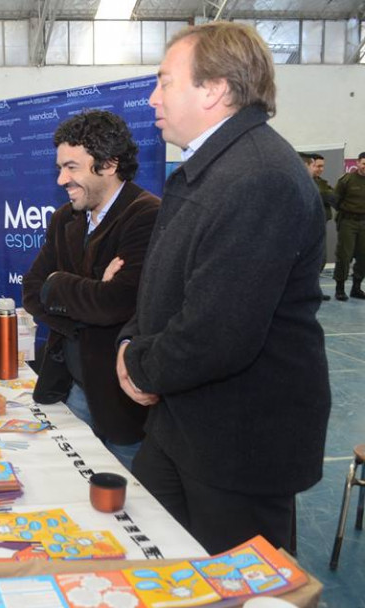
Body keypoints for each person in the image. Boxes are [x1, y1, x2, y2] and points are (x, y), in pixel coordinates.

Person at [116, 22, 330, 553]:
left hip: (240, 442)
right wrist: (130, 341)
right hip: (184, 425)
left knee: (237, 587)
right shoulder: (213, 169)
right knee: (151, 560)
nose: (152, 97)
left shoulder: (259, 177)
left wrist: (137, 365)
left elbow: (219, 332)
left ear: (213, 89)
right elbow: (164, 285)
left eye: (165, 82)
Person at [22, 110, 160, 471]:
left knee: (130, 505)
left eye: (72, 167)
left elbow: (117, 304)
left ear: (110, 164)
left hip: (120, 404)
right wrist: (90, 292)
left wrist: (60, 285)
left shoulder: (146, 216)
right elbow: (33, 292)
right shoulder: (64, 218)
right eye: (60, 167)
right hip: (71, 388)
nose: (61, 179)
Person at [300, 153, 334, 300]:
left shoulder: (322, 183)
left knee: (321, 259)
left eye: (322, 166)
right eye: (317, 166)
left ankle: (314, 290)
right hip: (304, 228)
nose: (320, 169)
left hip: (319, 225)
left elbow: (334, 198)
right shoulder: (301, 181)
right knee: (305, 262)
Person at [333, 152, 365, 300]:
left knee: (363, 256)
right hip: (348, 222)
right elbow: (335, 199)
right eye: (364, 163)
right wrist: (346, 211)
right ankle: (340, 289)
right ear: (358, 163)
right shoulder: (347, 180)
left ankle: (356, 288)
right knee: (344, 256)